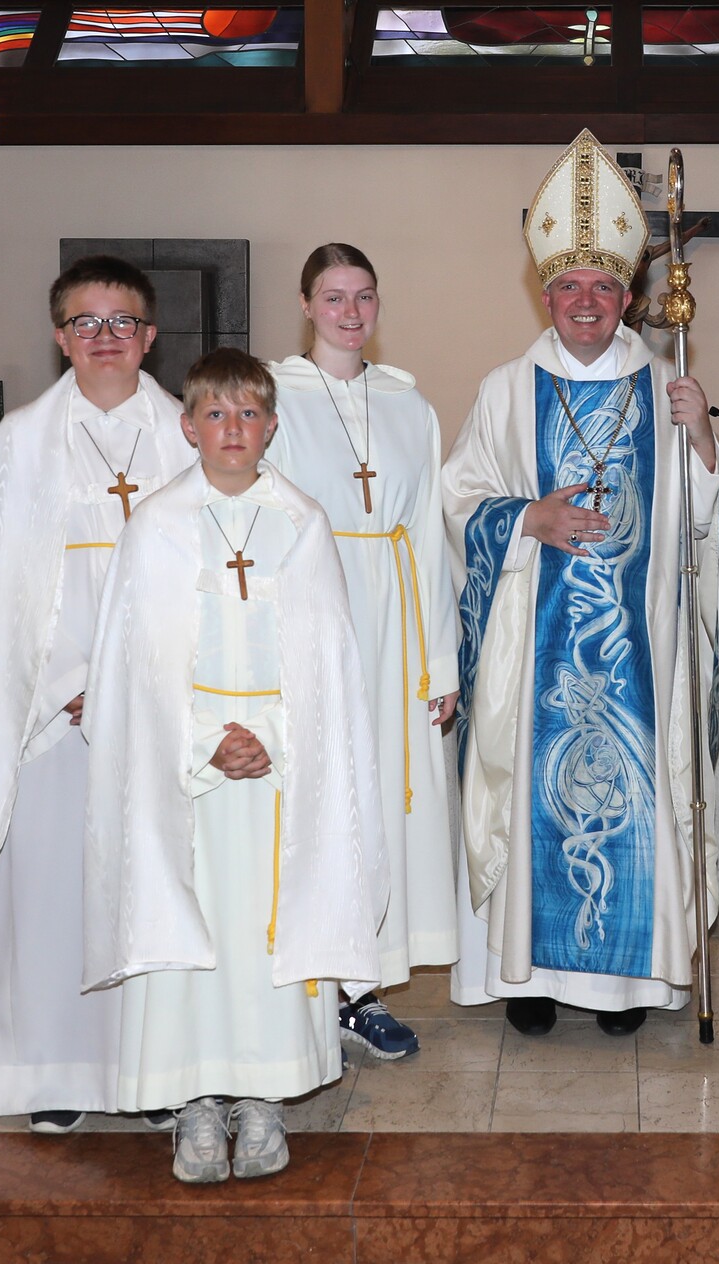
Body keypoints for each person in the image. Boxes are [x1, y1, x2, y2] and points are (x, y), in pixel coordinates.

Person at [443, 129, 719, 1036]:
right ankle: (527, 977)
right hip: (536, 642)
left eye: (604, 286)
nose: (585, 302)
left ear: (628, 297)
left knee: (639, 796)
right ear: (545, 292)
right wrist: (529, 517)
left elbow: (700, 524)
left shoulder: (666, 390)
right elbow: (459, 500)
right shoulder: (504, 389)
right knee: (534, 792)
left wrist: (703, 442)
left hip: (639, 649)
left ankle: (629, 985)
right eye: (568, 285)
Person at [81, 348, 386, 1184]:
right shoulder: (156, 526)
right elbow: (133, 669)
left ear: (273, 427)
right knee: (193, 927)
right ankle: (193, 1104)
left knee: (264, 930)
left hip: (278, 772)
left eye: (249, 415)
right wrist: (205, 739)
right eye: (215, 415)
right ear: (187, 426)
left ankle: (263, 1098)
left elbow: (328, 663)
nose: (233, 431)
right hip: (185, 771)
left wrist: (273, 739)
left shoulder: (303, 522)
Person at [0, 255, 196, 1131]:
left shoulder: (190, 435)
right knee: (47, 896)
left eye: (124, 322)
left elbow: (213, 578)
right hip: (47, 716)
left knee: (148, 890)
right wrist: (71, 685)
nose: (106, 337)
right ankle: (48, 1076)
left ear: (151, 337)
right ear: (59, 337)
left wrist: (130, 683)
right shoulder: (18, 444)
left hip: (159, 711)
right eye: (87, 322)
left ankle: (150, 1072)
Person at [267, 243, 460, 1062]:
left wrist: (440, 662)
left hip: (397, 630)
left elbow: (429, 540)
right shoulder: (272, 397)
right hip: (312, 616)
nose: (351, 312)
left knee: (381, 799)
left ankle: (361, 988)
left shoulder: (410, 406)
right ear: (307, 305)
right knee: (315, 798)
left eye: (365, 296)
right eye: (334, 297)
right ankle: (301, 981)